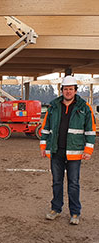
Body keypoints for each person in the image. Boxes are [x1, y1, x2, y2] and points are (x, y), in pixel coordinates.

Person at [40, 75, 96, 225]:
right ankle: (56, 209)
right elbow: (46, 127)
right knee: (56, 182)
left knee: (73, 183)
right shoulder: (53, 106)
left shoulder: (84, 107)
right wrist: (43, 146)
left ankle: (75, 213)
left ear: (75, 90)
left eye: (71, 89)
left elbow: (90, 131)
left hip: (75, 153)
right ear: (62, 90)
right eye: (66, 89)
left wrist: (88, 150)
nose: (68, 92)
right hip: (56, 151)